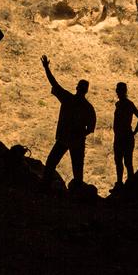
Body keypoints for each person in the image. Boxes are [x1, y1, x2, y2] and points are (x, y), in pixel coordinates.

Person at [40, 55, 96, 189]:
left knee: (51, 162)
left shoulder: (68, 99)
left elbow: (54, 83)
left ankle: (45, 188)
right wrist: (80, 134)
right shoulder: (88, 108)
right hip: (77, 142)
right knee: (77, 171)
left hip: (64, 138)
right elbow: (91, 127)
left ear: (77, 88)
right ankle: (77, 195)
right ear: (86, 91)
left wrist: (46, 68)